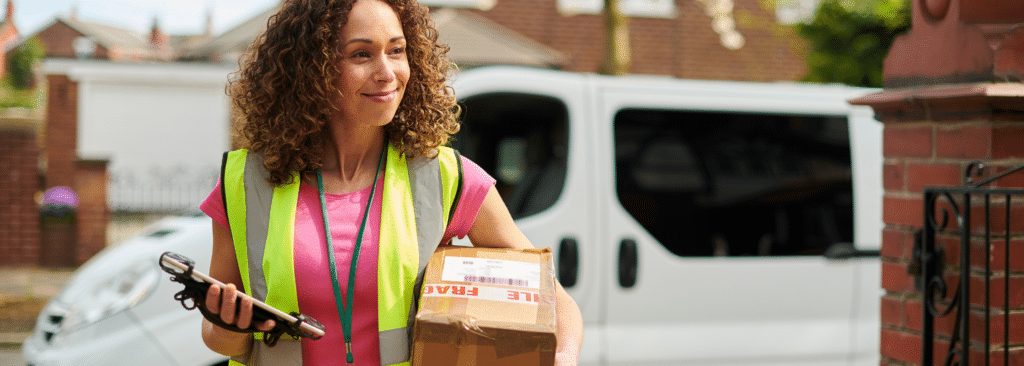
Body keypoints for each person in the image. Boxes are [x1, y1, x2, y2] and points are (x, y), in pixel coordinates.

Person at [197, 0, 583, 365]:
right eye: (361, 54)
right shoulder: (245, 183)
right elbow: (221, 339)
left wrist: (563, 357)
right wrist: (229, 324)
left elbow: (556, 302)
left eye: (396, 51)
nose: (387, 72)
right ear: (313, 67)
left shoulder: (446, 177)